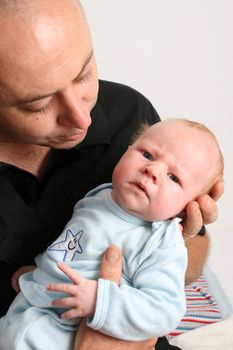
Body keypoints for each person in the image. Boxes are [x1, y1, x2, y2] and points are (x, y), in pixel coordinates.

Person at [0, 0, 223, 349]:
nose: (81, 120)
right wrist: (35, 278)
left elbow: (176, 285)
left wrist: (185, 238)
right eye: (37, 104)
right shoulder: (103, 196)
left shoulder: (133, 116)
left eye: (84, 73)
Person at [0, 118, 224, 350]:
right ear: (126, 152)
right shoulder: (101, 196)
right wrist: (42, 271)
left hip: (70, 330)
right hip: (28, 309)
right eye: (147, 154)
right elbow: (73, 245)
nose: (153, 170)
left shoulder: (161, 242)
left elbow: (164, 311)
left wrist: (101, 301)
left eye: (174, 177)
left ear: (188, 206)